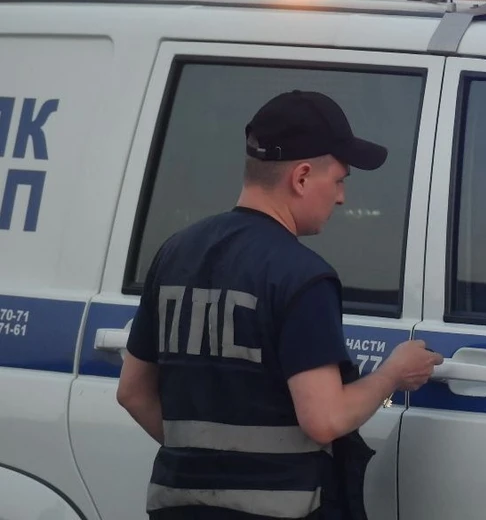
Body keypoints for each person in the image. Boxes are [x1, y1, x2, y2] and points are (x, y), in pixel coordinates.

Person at [116, 89, 444, 520]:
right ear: (302, 177)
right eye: (339, 180)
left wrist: (212, 469)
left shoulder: (174, 254)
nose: (342, 197)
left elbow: (133, 392)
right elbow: (325, 419)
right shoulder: (301, 276)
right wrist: (393, 375)